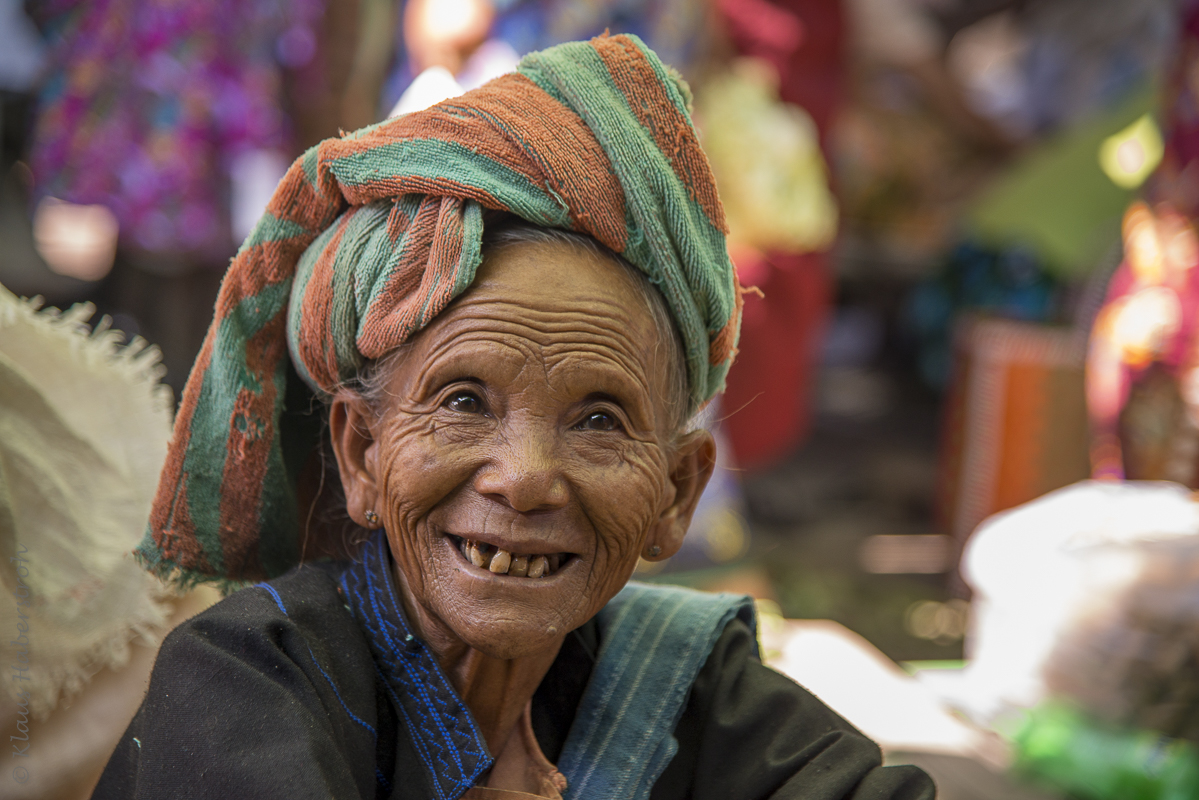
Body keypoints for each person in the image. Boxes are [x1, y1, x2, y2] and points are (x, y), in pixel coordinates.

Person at [92, 34, 935, 800]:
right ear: (361, 455)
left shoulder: (681, 682)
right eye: (462, 402)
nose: (525, 478)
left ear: (677, 491)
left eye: (600, 420)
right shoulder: (246, 680)